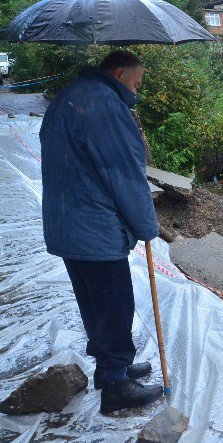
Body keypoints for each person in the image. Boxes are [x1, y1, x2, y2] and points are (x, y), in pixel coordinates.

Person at [40, 51, 163, 414]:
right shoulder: (107, 106)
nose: (137, 90)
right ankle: (115, 385)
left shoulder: (68, 95)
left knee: (94, 303)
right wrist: (146, 226)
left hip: (64, 223)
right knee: (114, 306)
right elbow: (124, 174)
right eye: (137, 83)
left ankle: (112, 367)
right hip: (94, 227)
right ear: (120, 72)